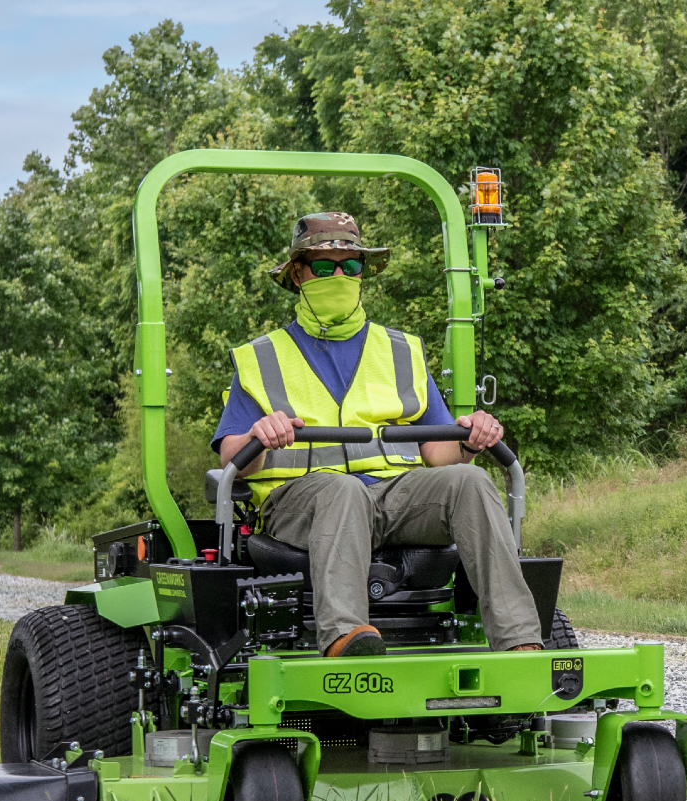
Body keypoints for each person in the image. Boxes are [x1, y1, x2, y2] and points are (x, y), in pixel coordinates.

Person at [213, 211, 544, 658]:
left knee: (471, 481)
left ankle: (519, 642)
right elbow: (232, 458)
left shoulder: (401, 350)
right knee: (342, 489)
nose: (339, 275)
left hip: (394, 495)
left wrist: (468, 439)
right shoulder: (263, 358)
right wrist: (260, 432)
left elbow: (438, 453)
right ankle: (346, 637)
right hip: (299, 502)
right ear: (297, 273)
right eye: (324, 266)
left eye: (351, 266)